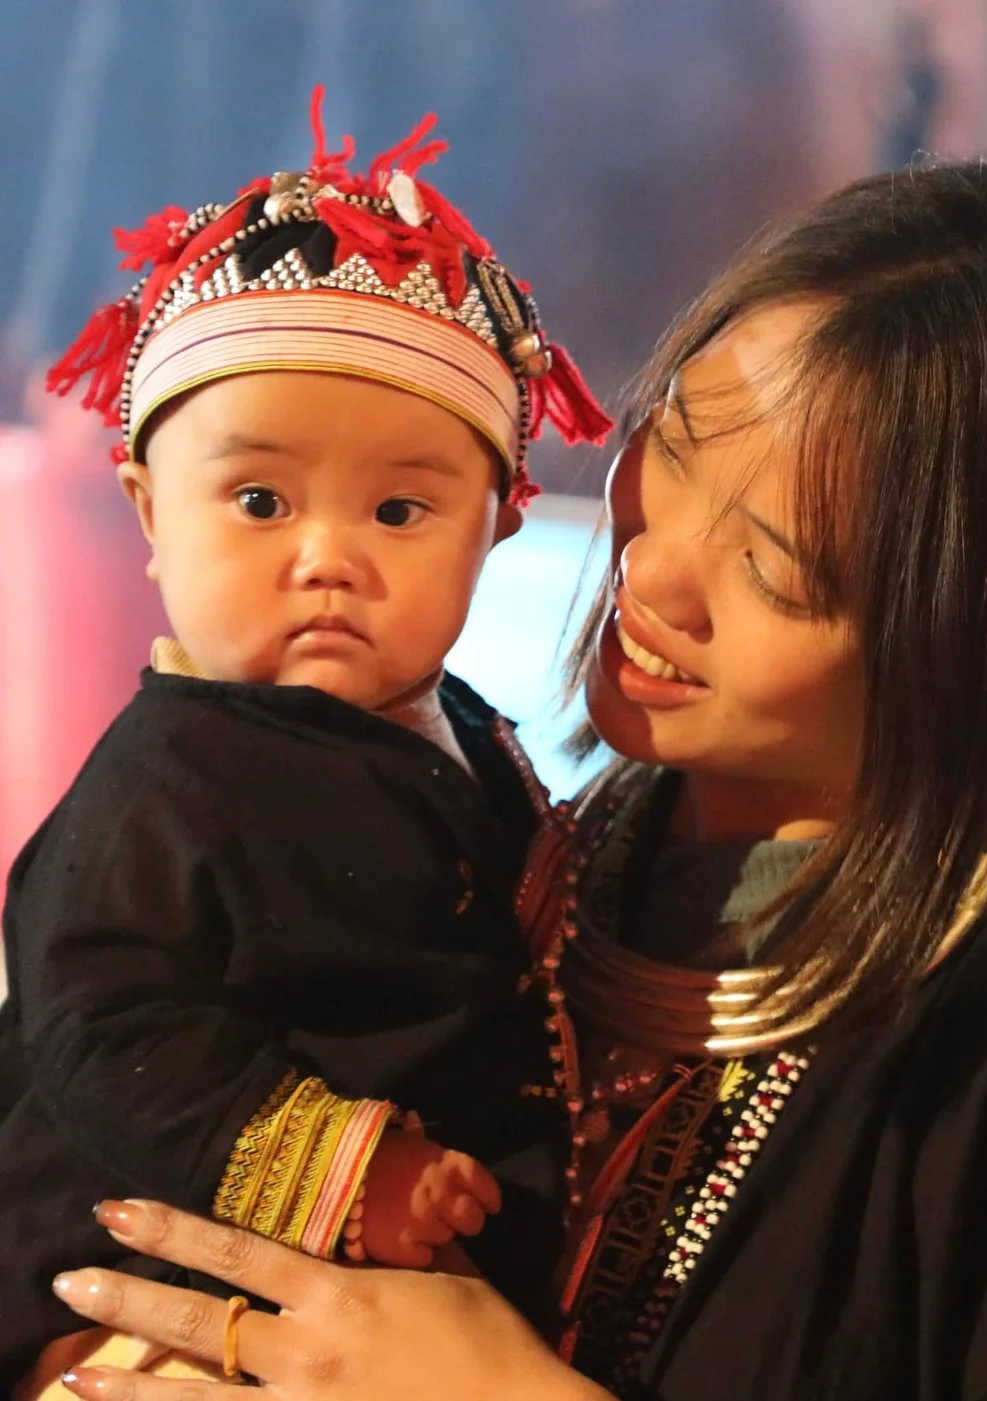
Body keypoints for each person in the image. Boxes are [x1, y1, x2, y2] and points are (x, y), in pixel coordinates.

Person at [50, 157, 987, 1401]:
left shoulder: (962, 1063)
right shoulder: (500, 830)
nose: (651, 571)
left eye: (777, 571)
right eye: (674, 450)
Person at [0, 89, 613, 1388]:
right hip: (176, 1292)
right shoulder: (168, 780)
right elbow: (106, 1022)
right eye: (260, 500)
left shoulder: (465, 729)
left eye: (398, 511)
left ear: (496, 529)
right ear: (148, 513)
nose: (328, 557)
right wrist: (349, 1173)